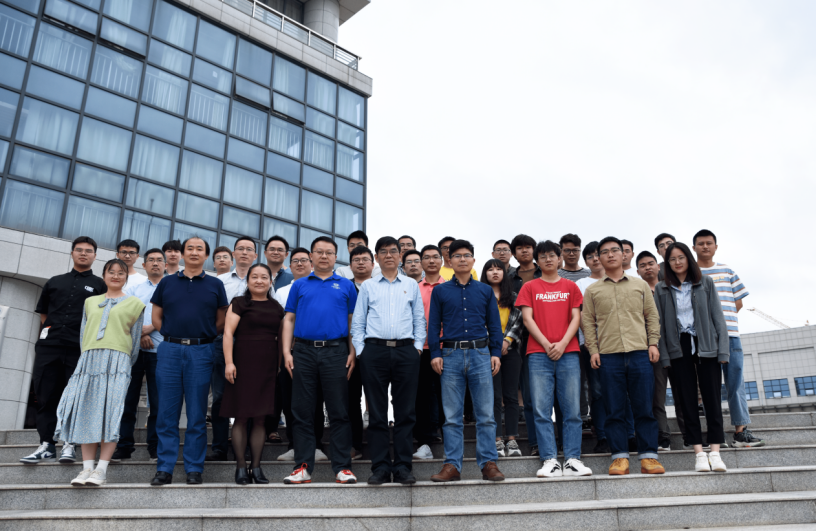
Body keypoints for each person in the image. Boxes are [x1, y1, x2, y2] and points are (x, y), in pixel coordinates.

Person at [55, 258, 145, 487]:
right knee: (86, 412)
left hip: (118, 363)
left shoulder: (135, 303)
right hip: (89, 361)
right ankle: (86, 468)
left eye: (120, 272)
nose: (115, 276)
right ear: (104, 275)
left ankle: (101, 470)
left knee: (110, 414)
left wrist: (124, 366)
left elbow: (135, 340)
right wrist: (86, 359)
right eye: (111, 272)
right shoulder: (90, 302)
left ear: (126, 277)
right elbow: (83, 334)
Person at [20, 237, 107, 465]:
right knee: (45, 395)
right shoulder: (54, 281)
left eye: (88, 251)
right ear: (72, 253)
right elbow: (44, 313)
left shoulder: (100, 285)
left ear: (95, 256)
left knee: (76, 397)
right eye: (79, 250)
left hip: (80, 349)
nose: (83, 253)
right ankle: (46, 445)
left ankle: (70, 443)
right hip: (49, 347)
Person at [149, 237, 228, 486]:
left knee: (196, 413)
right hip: (170, 350)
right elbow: (156, 316)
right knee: (167, 413)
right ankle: (165, 468)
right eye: (190, 248)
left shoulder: (215, 284)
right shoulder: (167, 282)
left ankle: (194, 467)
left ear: (206, 255)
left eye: (199, 249)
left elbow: (221, 320)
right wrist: (171, 335)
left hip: (202, 351)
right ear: (182, 254)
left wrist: (204, 337)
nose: (194, 252)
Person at [584, 236, 665, 476]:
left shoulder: (640, 285)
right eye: (604, 252)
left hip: (640, 352)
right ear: (599, 258)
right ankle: (619, 457)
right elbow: (588, 322)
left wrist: (653, 343)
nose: (610, 255)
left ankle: (649, 457)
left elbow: (652, 316)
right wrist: (593, 349)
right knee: (614, 409)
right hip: (608, 356)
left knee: (644, 407)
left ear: (623, 255)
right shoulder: (592, 290)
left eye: (615, 250)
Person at [282, 236, 358, 485]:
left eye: (329, 252)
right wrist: (287, 353)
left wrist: (352, 352)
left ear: (336, 257)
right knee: (302, 411)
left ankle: (343, 467)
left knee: (339, 410)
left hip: (336, 352)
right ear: (311, 256)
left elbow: (352, 321)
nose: (324, 256)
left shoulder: (346, 285)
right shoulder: (299, 284)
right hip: (303, 352)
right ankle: (303, 467)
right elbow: (289, 319)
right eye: (319, 252)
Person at [428, 239, 505, 482]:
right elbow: (433, 325)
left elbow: (494, 324)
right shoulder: (440, 291)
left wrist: (495, 352)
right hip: (450, 355)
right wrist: (435, 353)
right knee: (452, 416)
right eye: (457, 255)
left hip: (480, 354)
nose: (462, 259)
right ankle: (452, 465)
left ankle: (489, 464)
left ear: (473, 260)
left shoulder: (484, 290)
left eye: (467, 255)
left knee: (486, 414)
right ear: (449, 261)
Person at [351, 236, 426, 485]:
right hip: (374, 352)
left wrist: (417, 348)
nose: (389, 255)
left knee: (406, 412)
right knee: (377, 412)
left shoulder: (411, 285)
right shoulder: (368, 286)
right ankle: (381, 467)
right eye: (383, 252)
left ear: (400, 255)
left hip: (406, 352)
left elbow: (419, 319)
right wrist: (361, 351)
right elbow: (358, 322)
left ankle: (403, 466)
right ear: (377, 257)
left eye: (393, 251)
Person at [516, 241, 591, 478]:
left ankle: (572, 459)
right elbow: (527, 319)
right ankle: (549, 459)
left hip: (568, 353)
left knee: (572, 410)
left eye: (552, 255)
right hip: (538, 354)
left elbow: (576, 318)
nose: (548, 259)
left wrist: (562, 344)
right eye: (543, 256)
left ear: (559, 259)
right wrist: (547, 344)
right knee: (541, 410)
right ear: (537, 261)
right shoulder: (529, 287)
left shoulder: (571, 286)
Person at [654, 242, 730, 473]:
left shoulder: (705, 283)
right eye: (672, 259)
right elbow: (659, 326)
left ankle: (715, 452)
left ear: (689, 258)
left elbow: (718, 317)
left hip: (706, 344)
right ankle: (699, 453)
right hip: (679, 346)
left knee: (712, 399)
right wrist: (665, 356)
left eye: (681, 257)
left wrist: (723, 350)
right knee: (686, 400)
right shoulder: (661, 288)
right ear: (667, 263)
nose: (677, 262)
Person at [693, 229, 764, 448]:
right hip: (704, 339)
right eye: (701, 243)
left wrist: (722, 325)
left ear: (716, 246)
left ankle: (740, 431)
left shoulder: (728, 270)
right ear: (694, 247)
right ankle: (715, 434)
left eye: (709, 243)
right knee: (709, 387)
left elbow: (738, 302)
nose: (705, 246)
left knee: (735, 383)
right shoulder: (691, 274)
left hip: (731, 335)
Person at [222, 263, 285, 484]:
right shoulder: (239, 303)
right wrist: (229, 363)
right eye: (254, 277)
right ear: (247, 281)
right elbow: (227, 333)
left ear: (271, 281)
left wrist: (279, 366)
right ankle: (240, 467)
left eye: (264, 277)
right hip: (242, 364)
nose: (259, 281)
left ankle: (256, 467)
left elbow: (282, 338)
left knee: (260, 419)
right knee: (240, 417)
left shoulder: (277, 307)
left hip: (268, 366)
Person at [273, 248, 329, 463]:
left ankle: (316, 445)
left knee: (315, 401)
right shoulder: (281, 291)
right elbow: (280, 323)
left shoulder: (322, 286)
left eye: (304, 260)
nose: (299, 264)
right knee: (290, 401)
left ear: (311, 263)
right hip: (289, 352)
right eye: (295, 261)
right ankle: (294, 445)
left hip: (316, 351)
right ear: (290, 265)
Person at [207, 236, 260, 462]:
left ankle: (245, 445)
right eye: (241, 249)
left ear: (255, 255)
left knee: (248, 395)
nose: (245, 252)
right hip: (221, 342)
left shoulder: (261, 279)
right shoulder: (219, 281)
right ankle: (219, 446)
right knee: (220, 395)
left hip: (252, 344)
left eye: (249, 249)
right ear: (234, 254)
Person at [112, 248, 166, 462]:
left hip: (160, 351)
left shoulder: (171, 287)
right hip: (133, 350)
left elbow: (173, 315)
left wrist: (151, 328)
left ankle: (155, 447)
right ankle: (124, 446)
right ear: (143, 265)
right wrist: (141, 334)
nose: (155, 263)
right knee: (128, 400)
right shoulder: (133, 288)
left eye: (159, 260)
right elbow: (125, 314)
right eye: (151, 260)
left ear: (165, 265)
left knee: (157, 403)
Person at [636, 250, 678, 452]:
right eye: (643, 265)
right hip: (653, 350)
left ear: (658, 266)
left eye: (650, 263)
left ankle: (690, 436)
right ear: (638, 271)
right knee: (657, 397)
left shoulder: (670, 288)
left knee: (682, 395)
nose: (647, 268)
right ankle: (663, 436)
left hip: (677, 348)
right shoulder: (637, 291)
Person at [481, 259, 524, 458]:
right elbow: (478, 323)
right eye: (490, 269)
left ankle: (512, 439)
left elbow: (519, 321)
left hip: (511, 351)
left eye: (498, 269)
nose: (495, 272)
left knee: (511, 395)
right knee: (494, 396)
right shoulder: (480, 296)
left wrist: (506, 341)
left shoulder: (513, 297)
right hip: (488, 351)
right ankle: (497, 439)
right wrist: (495, 344)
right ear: (485, 274)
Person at [575, 242, 613, 454]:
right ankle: (602, 436)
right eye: (590, 257)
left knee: (620, 391)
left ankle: (627, 434)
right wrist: (591, 342)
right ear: (586, 262)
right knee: (597, 392)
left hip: (616, 345)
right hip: (590, 345)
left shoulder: (617, 279)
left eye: (598, 254)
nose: (595, 259)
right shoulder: (581, 284)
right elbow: (581, 315)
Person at [507, 233, 541, 456]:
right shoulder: (509, 278)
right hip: (519, 338)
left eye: (528, 247)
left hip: (548, 335)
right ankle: (535, 442)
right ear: (514, 253)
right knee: (528, 394)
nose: (524, 251)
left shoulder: (544, 272)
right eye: (519, 248)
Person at [413, 245, 446, 460]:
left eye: (435, 257)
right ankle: (424, 441)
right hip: (420, 348)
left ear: (442, 261)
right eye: (427, 257)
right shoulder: (413, 288)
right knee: (421, 395)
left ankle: (445, 435)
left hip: (446, 348)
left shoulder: (450, 287)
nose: (431, 261)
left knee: (446, 395)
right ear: (421, 262)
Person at [346, 245, 374, 459]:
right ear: (350, 265)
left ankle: (377, 445)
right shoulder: (344, 287)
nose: (361, 263)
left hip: (376, 349)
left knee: (376, 398)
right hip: (349, 350)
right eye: (356, 260)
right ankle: (354, 444)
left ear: (373, 264)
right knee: (351, 397)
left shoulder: (380, 286)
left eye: (365, 259)